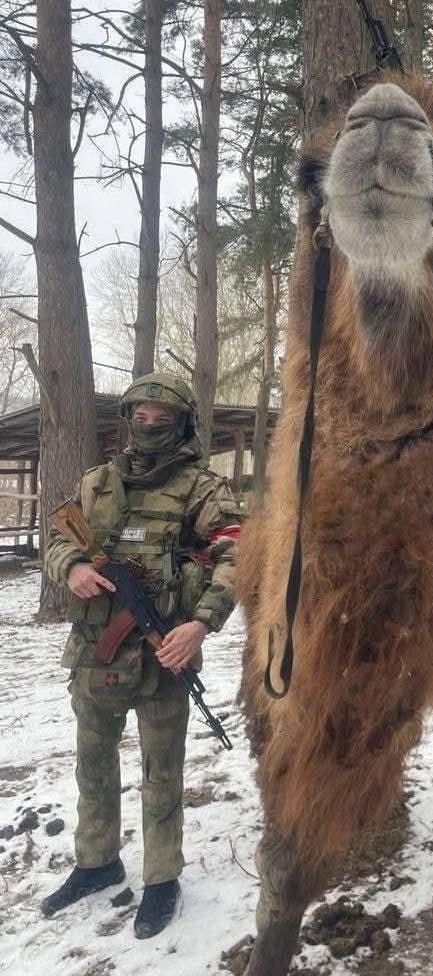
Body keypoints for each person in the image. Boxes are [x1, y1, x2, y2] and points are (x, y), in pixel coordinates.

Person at [41, 372, 243, 939]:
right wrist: (72, 568)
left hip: (164, 654)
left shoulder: (203, 488)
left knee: (161, 773)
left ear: (182, 424)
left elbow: (238, 555)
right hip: (95, 653)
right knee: (93, 764)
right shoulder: (98, 482)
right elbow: (56, 540)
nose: (149, 425)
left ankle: (161, 878)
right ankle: (96, 862)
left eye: (162, 417)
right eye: (141, 416)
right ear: (128, 420)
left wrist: (200, 625)